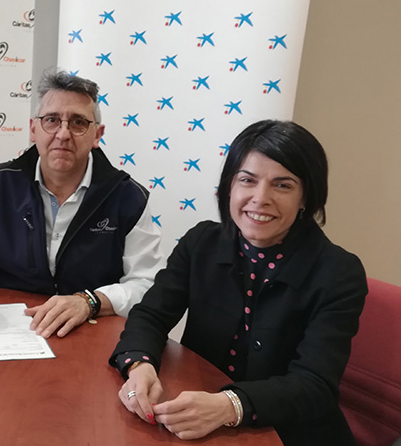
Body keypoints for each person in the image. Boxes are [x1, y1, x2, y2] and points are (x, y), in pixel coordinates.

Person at [111, 120, 367, 446]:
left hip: (290, 432)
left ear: (306, 197)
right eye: (247, 180)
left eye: (282, 185)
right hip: (202, 423)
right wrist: (139, 365)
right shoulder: (201, 242)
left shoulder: (339, 272)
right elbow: (151, 314)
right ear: (229, 186)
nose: (260, 198)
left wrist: (229, 406)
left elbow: (314, 384)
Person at [0, 69, 163, 338]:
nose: (63, 134)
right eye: (52, 120)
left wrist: (89, 301)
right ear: (34, 129)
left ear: (97, 135)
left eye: (78, 122)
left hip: (91, 334)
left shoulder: (128, 197)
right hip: (10, 330)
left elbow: (147, 283)